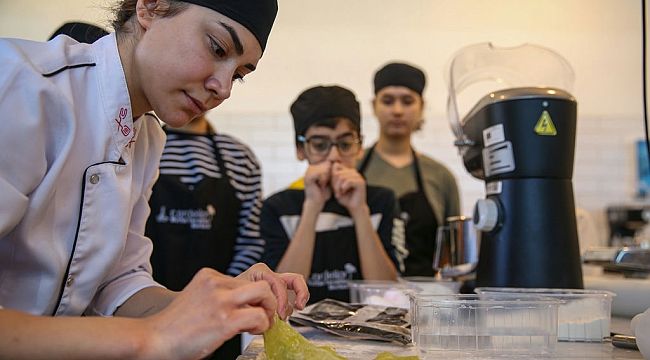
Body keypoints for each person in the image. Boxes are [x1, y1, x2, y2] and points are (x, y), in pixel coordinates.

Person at [0, 1, 310, 359]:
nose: (223, 88)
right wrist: (148, 337)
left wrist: (225, 298)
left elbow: (118, 285)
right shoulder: (22, 86)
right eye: (218, 48)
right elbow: (150, 331)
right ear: (150, 8)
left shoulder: (146, 135)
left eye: (239, 74)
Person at [261, 85, 400, 304]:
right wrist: (312, 207)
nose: (334, 156)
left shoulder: (380, 202)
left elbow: (386, 292)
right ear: (300, 149)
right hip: (301, 330)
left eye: (345, 144)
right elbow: (283, 294)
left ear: (360, 146)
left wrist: (360, 211)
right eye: (320, 145)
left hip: (366, 330)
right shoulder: (278, 207)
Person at [145, 113, 265, 359]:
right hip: (146, 317)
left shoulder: (239, 157)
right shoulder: (142, 147)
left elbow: (251, 242)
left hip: (221, 322)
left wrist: (222, 298)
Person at [358, 62, 461, 277]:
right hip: (362, 299)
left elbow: (455, 258)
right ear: (373, 106)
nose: (397, 110)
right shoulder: (354, 169)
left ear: (421, 106)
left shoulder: (441, 176)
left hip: (424, 299)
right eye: (387, 101)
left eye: (407, 101)